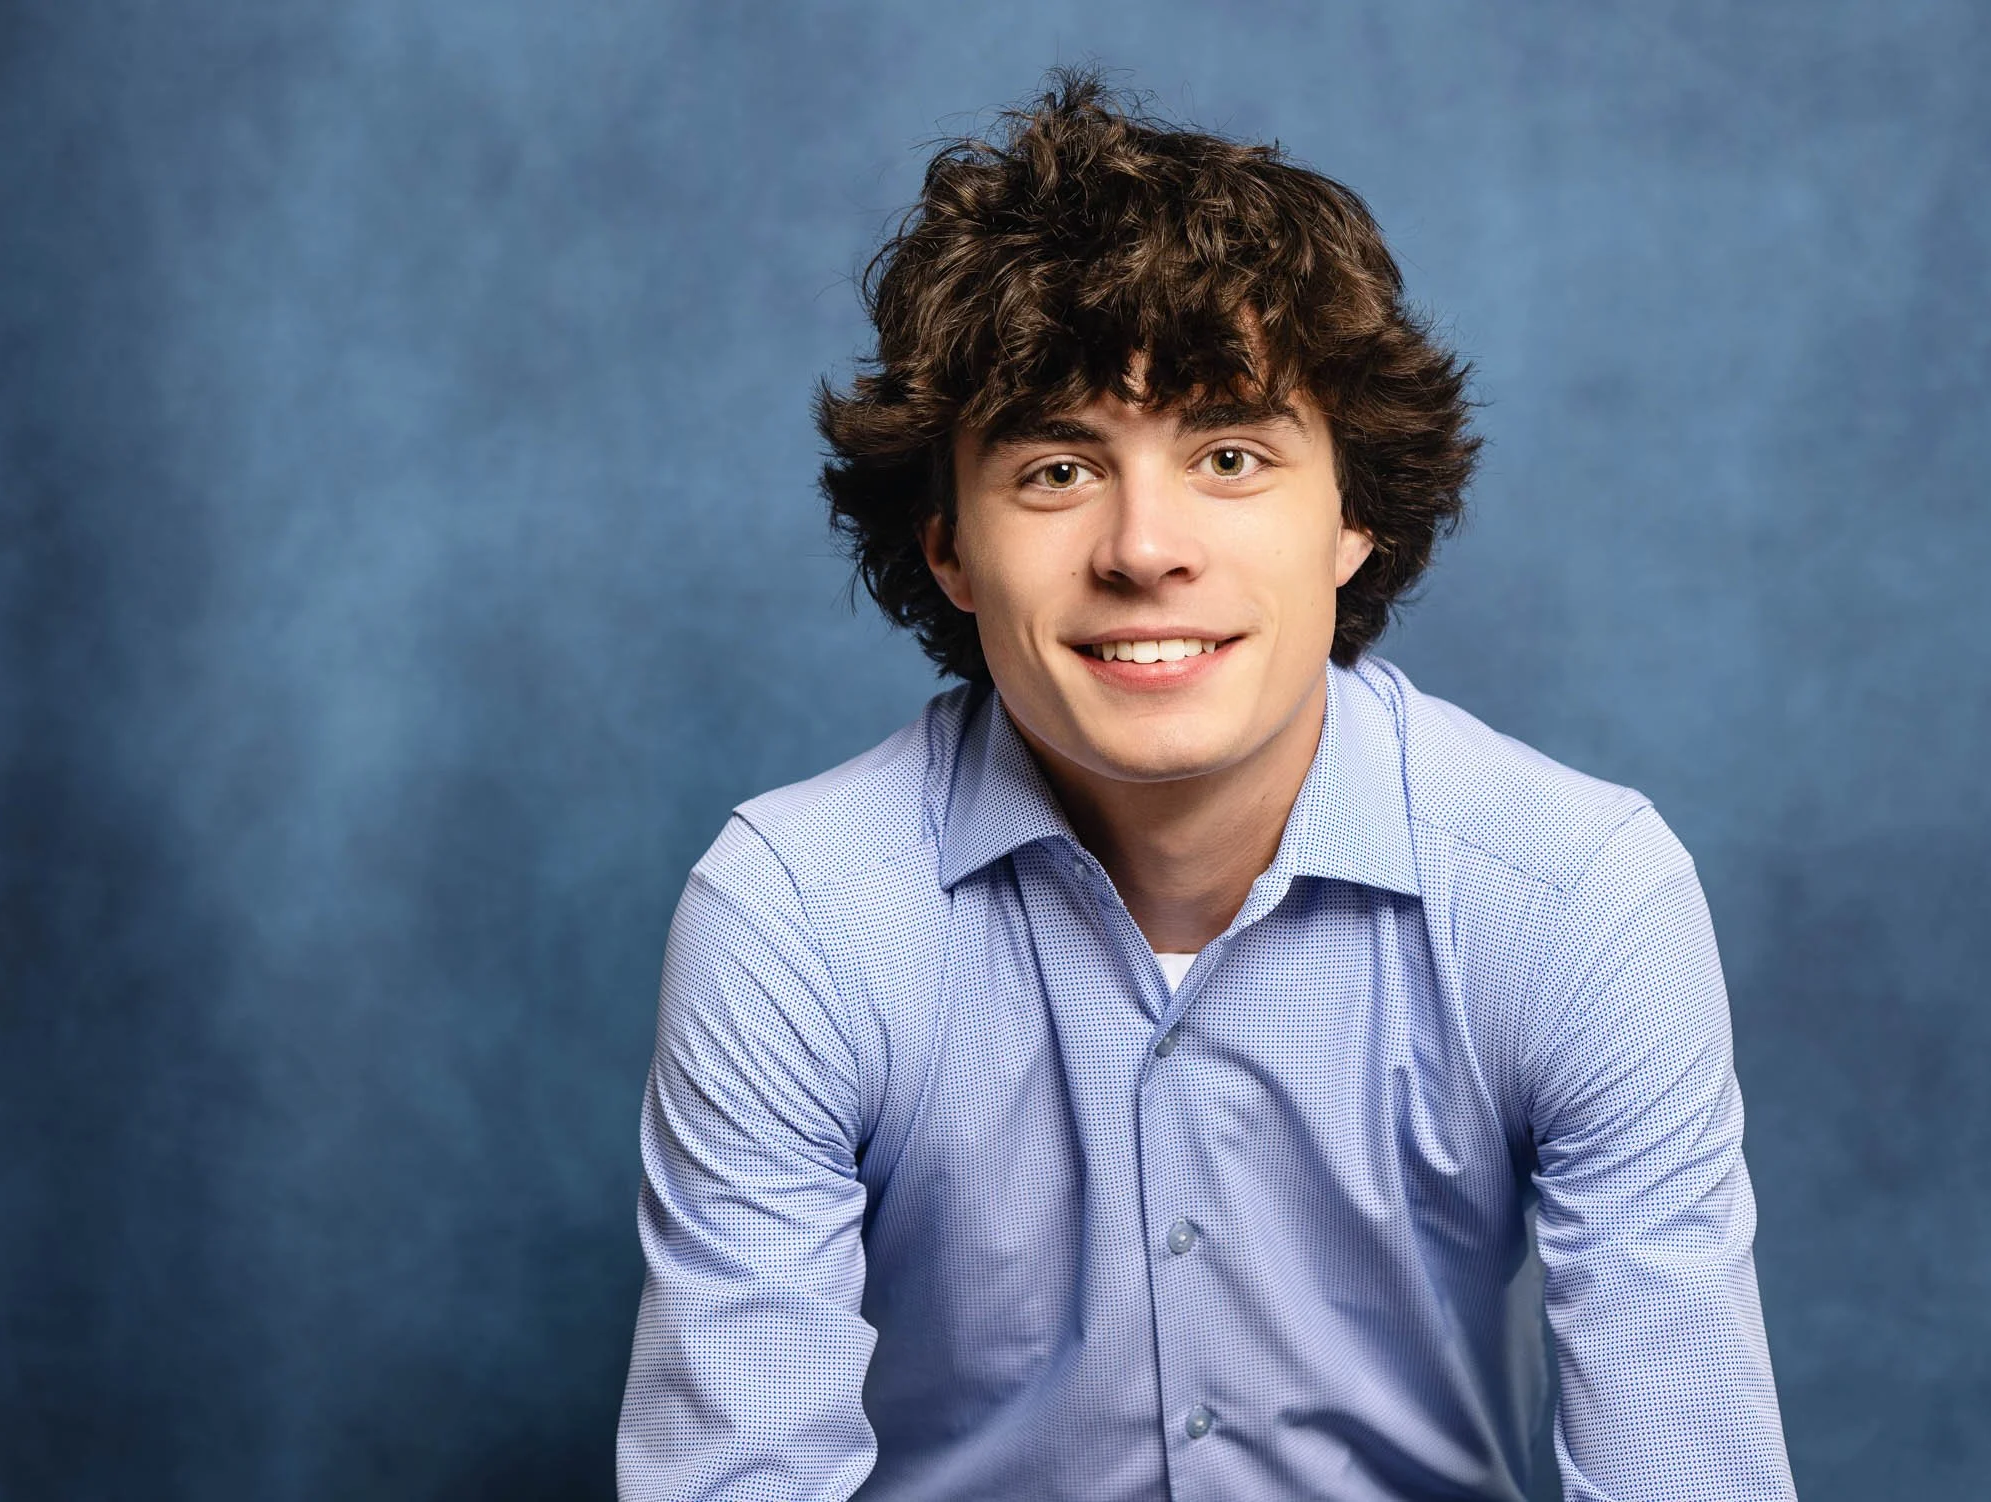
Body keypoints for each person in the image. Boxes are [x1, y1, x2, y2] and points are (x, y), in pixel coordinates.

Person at [617, 69, 1795, 1502]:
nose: (1144, 547)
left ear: (1354, 514)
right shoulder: (798, 918)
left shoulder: (1576, 898)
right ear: (946, 550)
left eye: (1230, 453)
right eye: (1056, 469)